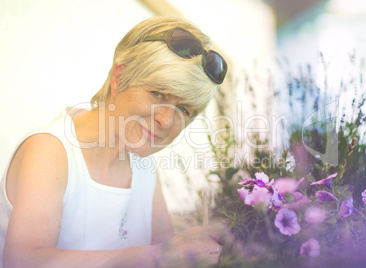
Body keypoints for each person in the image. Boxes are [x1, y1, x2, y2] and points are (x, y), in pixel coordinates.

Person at [0, 15, 228, 268]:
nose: (165, 120)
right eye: (157, 93)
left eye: (184, 109)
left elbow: (165, 252)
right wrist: (155, 256)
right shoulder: (50, 150)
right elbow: (21, 262)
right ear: (119, 77)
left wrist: (189, 247)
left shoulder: (145, 168)